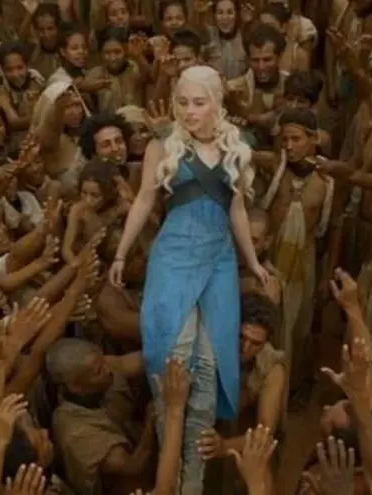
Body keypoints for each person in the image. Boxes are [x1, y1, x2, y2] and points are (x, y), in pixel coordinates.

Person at [109, 64, 266, 492]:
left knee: (208, 370)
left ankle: (192, 482)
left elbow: (237, 209)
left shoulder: (236, 146)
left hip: (218, 262)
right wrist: (122, 252)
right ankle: (169, 473)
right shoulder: (163, 146)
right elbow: (144, 201)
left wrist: (252, 262)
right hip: (173, 260)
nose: (189, 111)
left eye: (199, 102)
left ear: (217, 104)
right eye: (183, 102)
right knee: (173, 362)